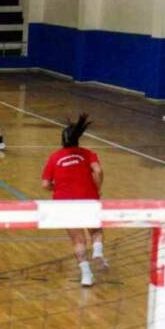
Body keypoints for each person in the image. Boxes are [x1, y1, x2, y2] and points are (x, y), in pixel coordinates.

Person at [41, 113, 106, 287]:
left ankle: (86, 275)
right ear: (78, 139)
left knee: (78, 240)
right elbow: (98, 171)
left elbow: (45, 184)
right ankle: (98, 252)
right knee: (96, 231)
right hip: (88, 199)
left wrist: (58, 188)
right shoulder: (87, 154)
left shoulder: (54, 157)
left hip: (64, 204)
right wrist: (97, 188)